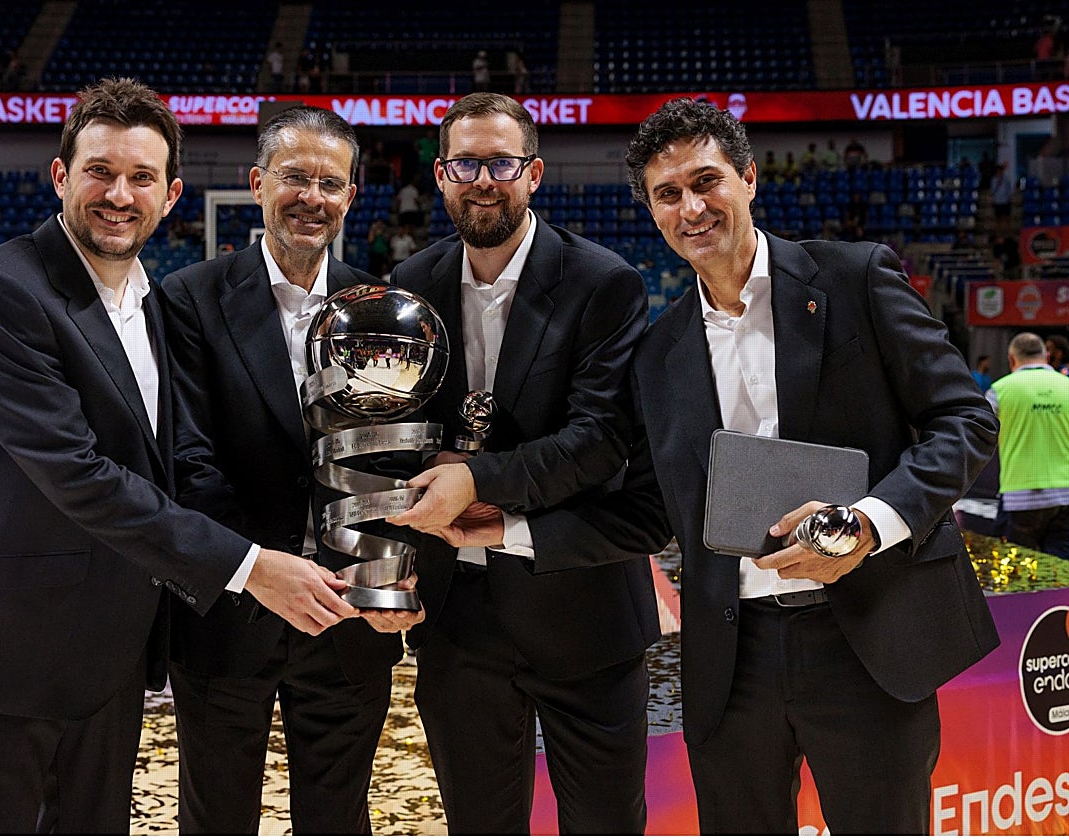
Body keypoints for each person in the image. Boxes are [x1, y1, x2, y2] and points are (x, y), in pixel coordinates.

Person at [429, 97, 1001, 835]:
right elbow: (645, 514)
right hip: (734, 656)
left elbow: (965, 420)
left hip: (865, 634)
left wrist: (868, 523)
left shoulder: (854, 277)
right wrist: (505, 533)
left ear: (749, 178)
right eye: (668, 195)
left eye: (706, 182)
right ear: (651, 212)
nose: (691, 208)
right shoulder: (659, 353)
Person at [0, 77, 364, 835]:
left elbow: (171, 459)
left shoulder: (151, 302)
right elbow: (78, 474)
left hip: (106, 659)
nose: (118, 195)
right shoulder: (2, 290)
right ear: (60, 176)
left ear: (170, 196)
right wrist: (249, 565)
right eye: (100, 171)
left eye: (141, 177)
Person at [386, 92, 658, 834]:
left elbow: (600, 441)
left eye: (501, 163)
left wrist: (475, 479)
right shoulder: (411, 284)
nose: (483, 180)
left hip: (584, 610)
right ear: (441, 175)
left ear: (533, 173)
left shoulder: (604, 283)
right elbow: (396, 434)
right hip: (458, 617)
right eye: (465, 164)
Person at [159, 105, 421, 835]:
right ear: (257, 183)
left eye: (330, 183)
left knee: (340, 820)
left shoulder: (384, 309)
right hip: (230, 608)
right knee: (215, 820)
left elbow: (396, 457)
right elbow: (188, 460)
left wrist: (395, 572)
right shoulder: (189, 298)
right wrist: (258, 568)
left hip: (349, 613)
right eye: (294, 177)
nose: (312, 197)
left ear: (351, 196)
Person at [986, 332, 1069, 559]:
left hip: (1019, 497)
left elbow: (979, 435)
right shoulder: (1067, 386)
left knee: (1018, 567)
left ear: (1012, 359)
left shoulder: (999, 391)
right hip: (1066, 495)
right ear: (1046, 356)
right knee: (1061, 569)